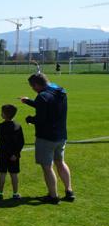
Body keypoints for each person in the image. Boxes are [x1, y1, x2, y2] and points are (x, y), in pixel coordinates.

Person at [20, 73, 74, 203]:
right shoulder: (59, 90)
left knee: (47, 166)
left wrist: (30, 119)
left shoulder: (42, 97)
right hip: (61, 135)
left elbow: (41, 119)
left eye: (32, 87)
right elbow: (48, 106)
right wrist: (28, 101)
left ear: (37, 85)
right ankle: (69, 191)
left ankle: (53, 196)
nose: (32, 89)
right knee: (60, 163)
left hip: (46, 137)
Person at [0, 104, 25, 200]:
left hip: (3, 153)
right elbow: (21, 142)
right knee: (14, 174)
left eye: (2, 112)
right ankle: (15, 194)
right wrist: (16, 153)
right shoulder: (18, 126)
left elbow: (0, 139)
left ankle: (0, 193)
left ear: (4, 115)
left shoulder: (1, 126)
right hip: (14, 155)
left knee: (2, 173)